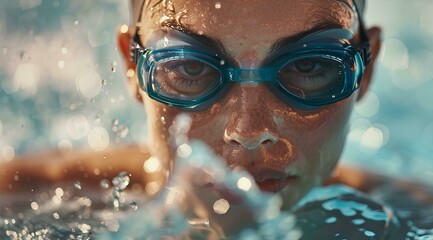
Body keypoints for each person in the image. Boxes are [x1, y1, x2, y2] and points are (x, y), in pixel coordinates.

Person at [1, 0, 432, 238]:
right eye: (191, 69)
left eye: (307, 67)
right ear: (133, 69)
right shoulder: (25, 197)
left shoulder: (417, 217)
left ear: (366, 69)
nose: (247, 132)